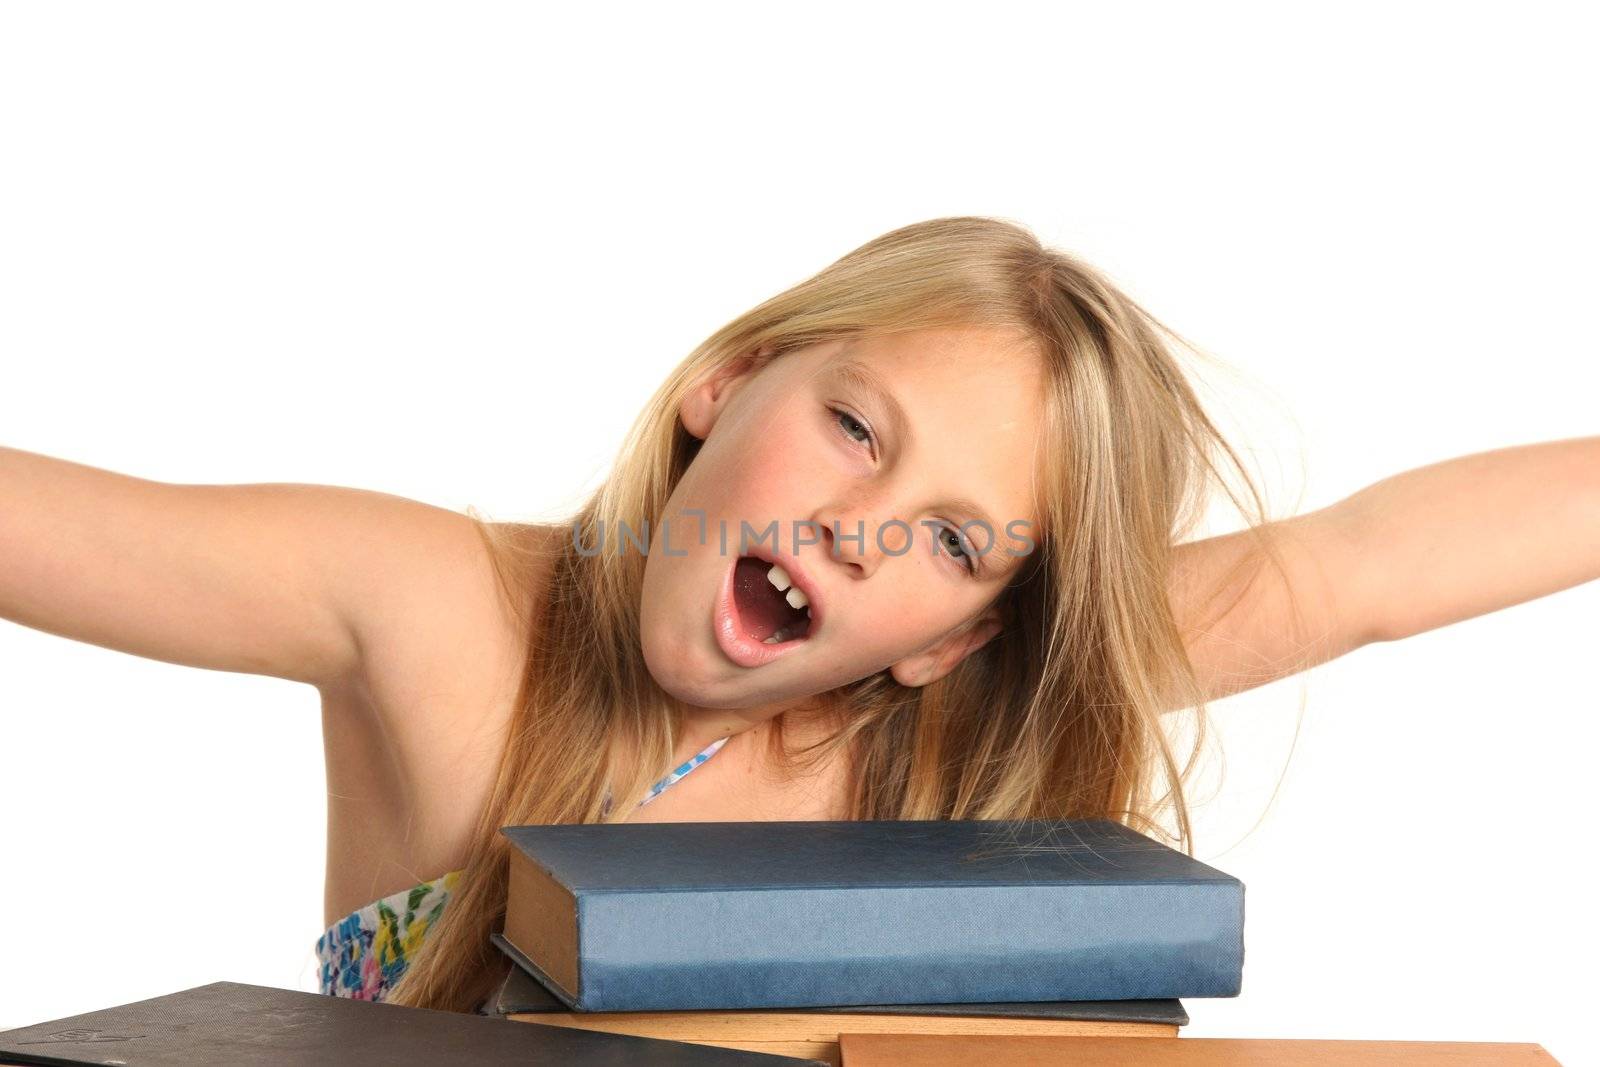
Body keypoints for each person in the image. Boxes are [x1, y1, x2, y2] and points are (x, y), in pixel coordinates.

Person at [4, 216, 1594, 1016]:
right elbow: (59, 533)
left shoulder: (962, 705)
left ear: (953, 635)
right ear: (725, 381)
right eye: (853, 426)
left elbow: (1356, 573)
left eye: (956, 537)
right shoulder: (441, 613)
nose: (857, 521)